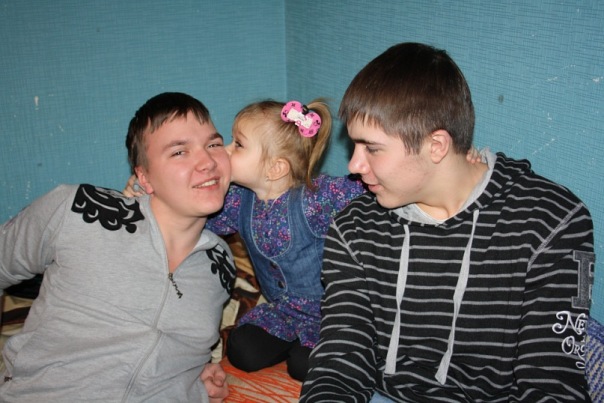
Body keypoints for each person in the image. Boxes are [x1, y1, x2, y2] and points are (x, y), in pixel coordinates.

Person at [299, 42, 595, 402]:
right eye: (354, 146)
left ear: (436, 145)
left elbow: (553, 384)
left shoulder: (552, 222)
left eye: (372, 148)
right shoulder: (355, 228)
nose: (354, 165)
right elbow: (339, 361)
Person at [0, 92, 235, 402]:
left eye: (214, 145)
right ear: (144, 177)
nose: (207, 162)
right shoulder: (78, 210)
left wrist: (194, 376)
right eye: (179, 152)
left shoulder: (221, 263)